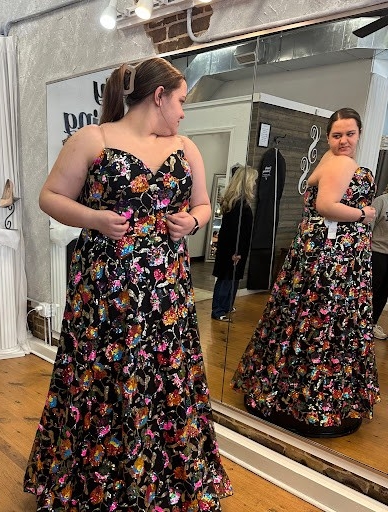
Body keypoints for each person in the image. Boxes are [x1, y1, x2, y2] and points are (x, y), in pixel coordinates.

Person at [24, 57, 232, 510]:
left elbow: (203, 205)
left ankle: (165, 485)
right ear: (158, 96)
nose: (183, 112)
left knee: (166, 377)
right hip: (105, 291)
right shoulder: (93, 139)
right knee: (101, 377)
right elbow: (49, 196)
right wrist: (95, 218)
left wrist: (192, 222)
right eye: (180, 101)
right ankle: (94, 487)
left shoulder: (186, 148)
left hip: (165, 293)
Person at [231, 108, 380, 438]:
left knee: (298, 316)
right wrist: (363, 213)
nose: (343, 141)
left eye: (350, 134)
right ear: (328, 137)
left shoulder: (328, 159)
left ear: (359, 133)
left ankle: (279, 389)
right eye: (337, 135)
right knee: (325, 322)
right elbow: (326, 206)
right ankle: (314, 402)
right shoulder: (341, 163)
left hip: (317, 251)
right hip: (334, 258)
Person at [211, 165, 256, 321]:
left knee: (232, 278)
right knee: (226, 278)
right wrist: (235, 252)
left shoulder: (238, 203)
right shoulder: (238, 205)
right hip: (232, 249)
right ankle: (218, 310)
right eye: (253, 181)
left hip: (234, 248)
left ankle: (226, 305)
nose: (254, 184)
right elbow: (234, 232)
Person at [371, 185, 388, 339]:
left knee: (384, 293)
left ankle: (373, 324)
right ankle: (360, 324)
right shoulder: (381, 201)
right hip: (377, 253)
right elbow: (368, 227)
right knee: (372, 290)